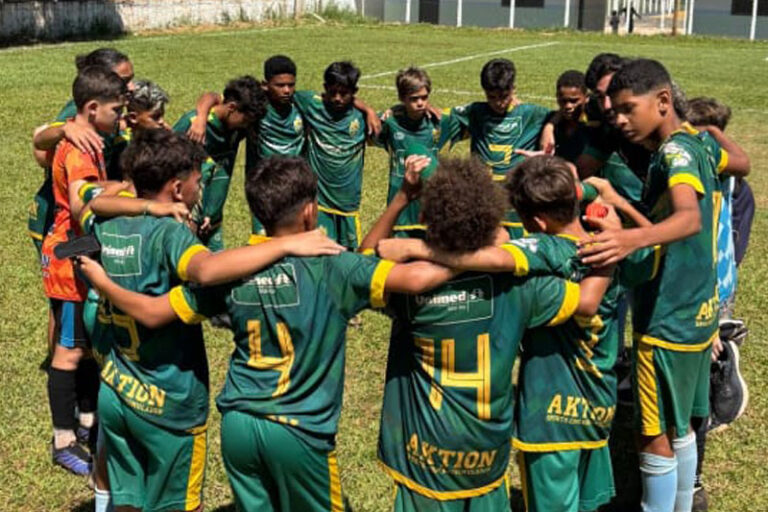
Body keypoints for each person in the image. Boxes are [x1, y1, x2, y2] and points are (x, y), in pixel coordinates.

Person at [78, 154, 455, 511]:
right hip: (298, 430)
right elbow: (412, 277)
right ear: (310, 211)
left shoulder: (231, 270)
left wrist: (103, 283)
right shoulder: (334, 268)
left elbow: (155, 311)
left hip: (238, 426)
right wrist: (477, 255)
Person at [76, 131, 346, 511]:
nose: (201, 188)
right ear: (177, 188)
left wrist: (146, 207)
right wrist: (285, 244)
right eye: (197, 181)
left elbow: (86, 203)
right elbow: (205, 270)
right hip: (166, 402)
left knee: (128, 499)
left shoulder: (106, 223)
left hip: (116, 389)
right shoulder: (170, 235)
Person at [371, 156, 613, 511]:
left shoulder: (405, 285)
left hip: (424, 455)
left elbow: (366, 255)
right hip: (487, 453)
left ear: (425, 218)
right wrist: (610, 248)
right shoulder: (523, 286)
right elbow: (585, 300)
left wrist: (401, 199)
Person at [578, 58, 720, 512]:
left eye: (627, 108)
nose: (618, 119)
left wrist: (626, 239)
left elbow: (687, 219)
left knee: (651, 432)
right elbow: (732, 167)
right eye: (614, 109)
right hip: (698, 311)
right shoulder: (695, 142)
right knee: (681, 426)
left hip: (665, 317)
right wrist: (621, 203)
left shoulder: (674, 155)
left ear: (662, 101)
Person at [41, 66, 127, 477]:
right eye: (116, 110)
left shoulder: (89, 140)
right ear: (92, 108)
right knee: (69, 351)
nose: (120, 118)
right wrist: (126, 190)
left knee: (87, 346)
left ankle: (88, 422)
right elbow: (79, 203)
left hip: (78, 253)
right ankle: (63, 440)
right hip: (68, 258)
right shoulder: (78, 149)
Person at [440, 58, 550, 238]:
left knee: (517, 241)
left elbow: (559, 117)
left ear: (513, 89)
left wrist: (550, 127)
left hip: (517, 196)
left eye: (504, 96)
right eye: (492, 97)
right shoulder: (476, 112)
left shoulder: (531, 113)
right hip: (483, 195)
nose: (499, 103)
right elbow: (441, 117)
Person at [173, 76, 266, 250]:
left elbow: (213, 96)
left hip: (214, 219)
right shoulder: (193, 126)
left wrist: (211, 212)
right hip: (187, 218)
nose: (247, 126)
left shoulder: (236, 128)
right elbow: (165, 167)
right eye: (246, 120)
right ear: (232, 108)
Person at [293, 61, 371, 250]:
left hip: (348, 203)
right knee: (319, 251)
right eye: (332, 92)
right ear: (325, 88)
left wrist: (368, 111)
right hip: (318, 200)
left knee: (348, 254)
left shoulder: (361, 118)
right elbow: (282, 92)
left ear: (354, 92)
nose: (337, 98)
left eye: (344, 94)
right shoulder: (312, 104)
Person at [371, 66, 450, 238]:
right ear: (402, 98)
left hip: (429, 203)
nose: (420, 103)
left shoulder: (438, 122)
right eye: (414, 99)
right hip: (399, 200)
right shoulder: (390, 123)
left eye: (424, 97)